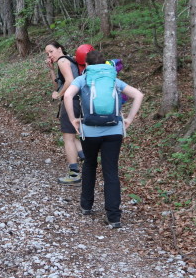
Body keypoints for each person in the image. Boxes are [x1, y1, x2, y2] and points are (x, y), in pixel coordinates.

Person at [63, 50, 144, 228]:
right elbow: (138, 95)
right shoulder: (113, 78)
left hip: (90, 131)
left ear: (87, 64)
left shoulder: (83, 78)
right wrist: (129, 119)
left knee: (90, 165)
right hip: (114, 131)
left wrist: (72, 119)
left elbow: (68, 95)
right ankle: (114, 216)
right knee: (111, 171)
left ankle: (86, 206)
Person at [44, 41, 85, 184]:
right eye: (47, 53)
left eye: (51, 51)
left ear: (59, 49)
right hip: (79, 102)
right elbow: (58, 83)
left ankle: (74, 174)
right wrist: (51, 69)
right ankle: (86, 161)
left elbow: (69, 81)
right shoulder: (68, 60)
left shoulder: (62, 61)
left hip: (71, 102)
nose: (49, 55)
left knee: (68, 138)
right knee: (73, 136)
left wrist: (60, 95)